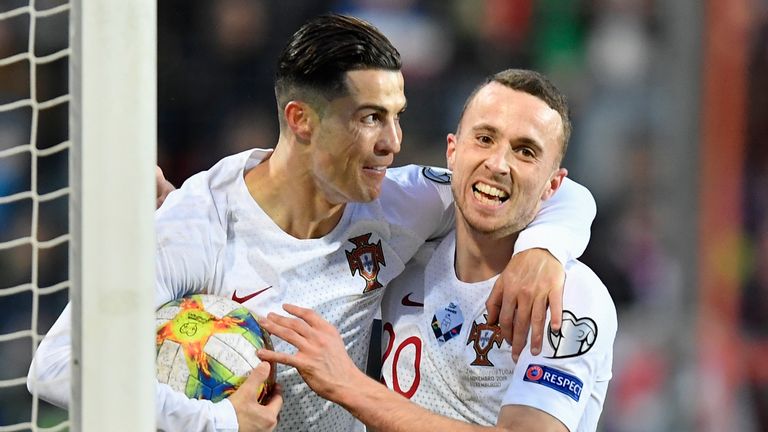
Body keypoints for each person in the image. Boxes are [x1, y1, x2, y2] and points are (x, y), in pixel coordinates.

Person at [28, 15, 596, 432]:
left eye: (397, 117)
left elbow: (544, 189)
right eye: (371, 118)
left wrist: (542, 249)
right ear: (302, 120)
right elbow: (55, 368)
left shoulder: (398, 199)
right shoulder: (195, 224)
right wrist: (214, 421)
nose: (392, 144)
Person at [258, 69, 617, 431]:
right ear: (452, 151)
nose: (498, 164)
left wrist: (349, 385)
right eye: (485, 138)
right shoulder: (407, 250)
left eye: (525, 151)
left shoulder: (569, 296)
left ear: (552, 185)